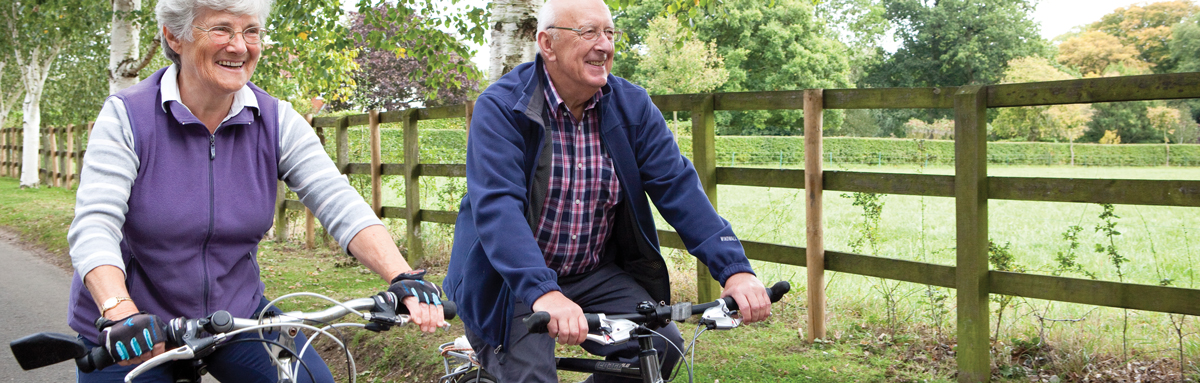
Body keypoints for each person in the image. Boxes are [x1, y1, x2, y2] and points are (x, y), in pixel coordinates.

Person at [65, 0, 445, 381]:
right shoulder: (127, 116)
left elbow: (337, 199)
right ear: (173, 37)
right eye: (221, 29)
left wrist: (402, 276)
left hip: (235, 315)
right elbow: (96, 223)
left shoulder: (275, 119)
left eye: (250, 32)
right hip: (138, 326)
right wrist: (119, 311)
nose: (239, 46)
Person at [443, 0, 772, 381]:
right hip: (508, 282)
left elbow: (679, 187)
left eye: (610, 33)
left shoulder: (632, 106)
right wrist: (543, 291)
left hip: (591, 271)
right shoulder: (501, 108)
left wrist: (734, 269)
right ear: (547, 44)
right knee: (531, 375)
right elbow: (498, 210)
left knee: (661, 346)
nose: (605, 45)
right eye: (589, 33)